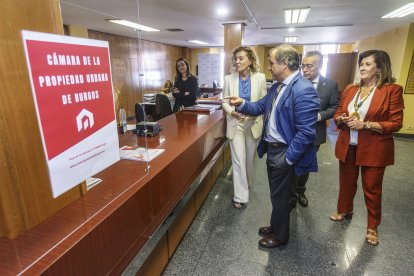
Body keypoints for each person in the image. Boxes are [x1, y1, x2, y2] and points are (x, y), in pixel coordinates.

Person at [226, 45, 320, 248]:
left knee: (282, 195)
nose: (269, 67)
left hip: (285, 152)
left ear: (284, 64)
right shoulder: (278, 86)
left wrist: (288, 159)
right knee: (277, 195)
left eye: (271, 63)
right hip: (274, 148)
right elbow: (259, 106)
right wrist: (241, 102)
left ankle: (280, 236)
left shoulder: (303, 89)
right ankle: (276, 225)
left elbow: (306, 133)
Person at [329, 50, 404, 246]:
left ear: (379, 68)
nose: (362, 67)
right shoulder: (351, 89)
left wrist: (367, 125)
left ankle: (372, 226)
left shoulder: (392, 90)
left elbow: (396, 123)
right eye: (361, 64)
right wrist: (340, 118)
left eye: (368, 64)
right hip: (348, 144)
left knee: (372, 189)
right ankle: (344, 209)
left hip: (374, 148)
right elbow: (339, 110)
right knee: (346, 183)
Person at [222, 46, 267, 209]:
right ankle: (239, 196)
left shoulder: (260, 78)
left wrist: (254, 114)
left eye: (241, 58)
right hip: (236, 124)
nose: (237, 61)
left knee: (248, 160)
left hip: (253, 123)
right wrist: (232, 113)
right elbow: (224, 102)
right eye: (235, 58)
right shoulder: (229, 79)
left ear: (250, 60)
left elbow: (263, 102)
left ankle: (246, 183)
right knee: (239, 160)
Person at [297, 51, 340, 207]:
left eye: (309, 66)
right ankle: (290, 193)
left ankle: (300, 191)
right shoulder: (296, 82)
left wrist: (319, 116)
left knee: (305, 164)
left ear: (320, 66)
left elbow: (335, 107)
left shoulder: (330, 85)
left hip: (315, 133)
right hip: (294, 132)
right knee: (292, 163)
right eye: (303, 65)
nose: (305, 69)